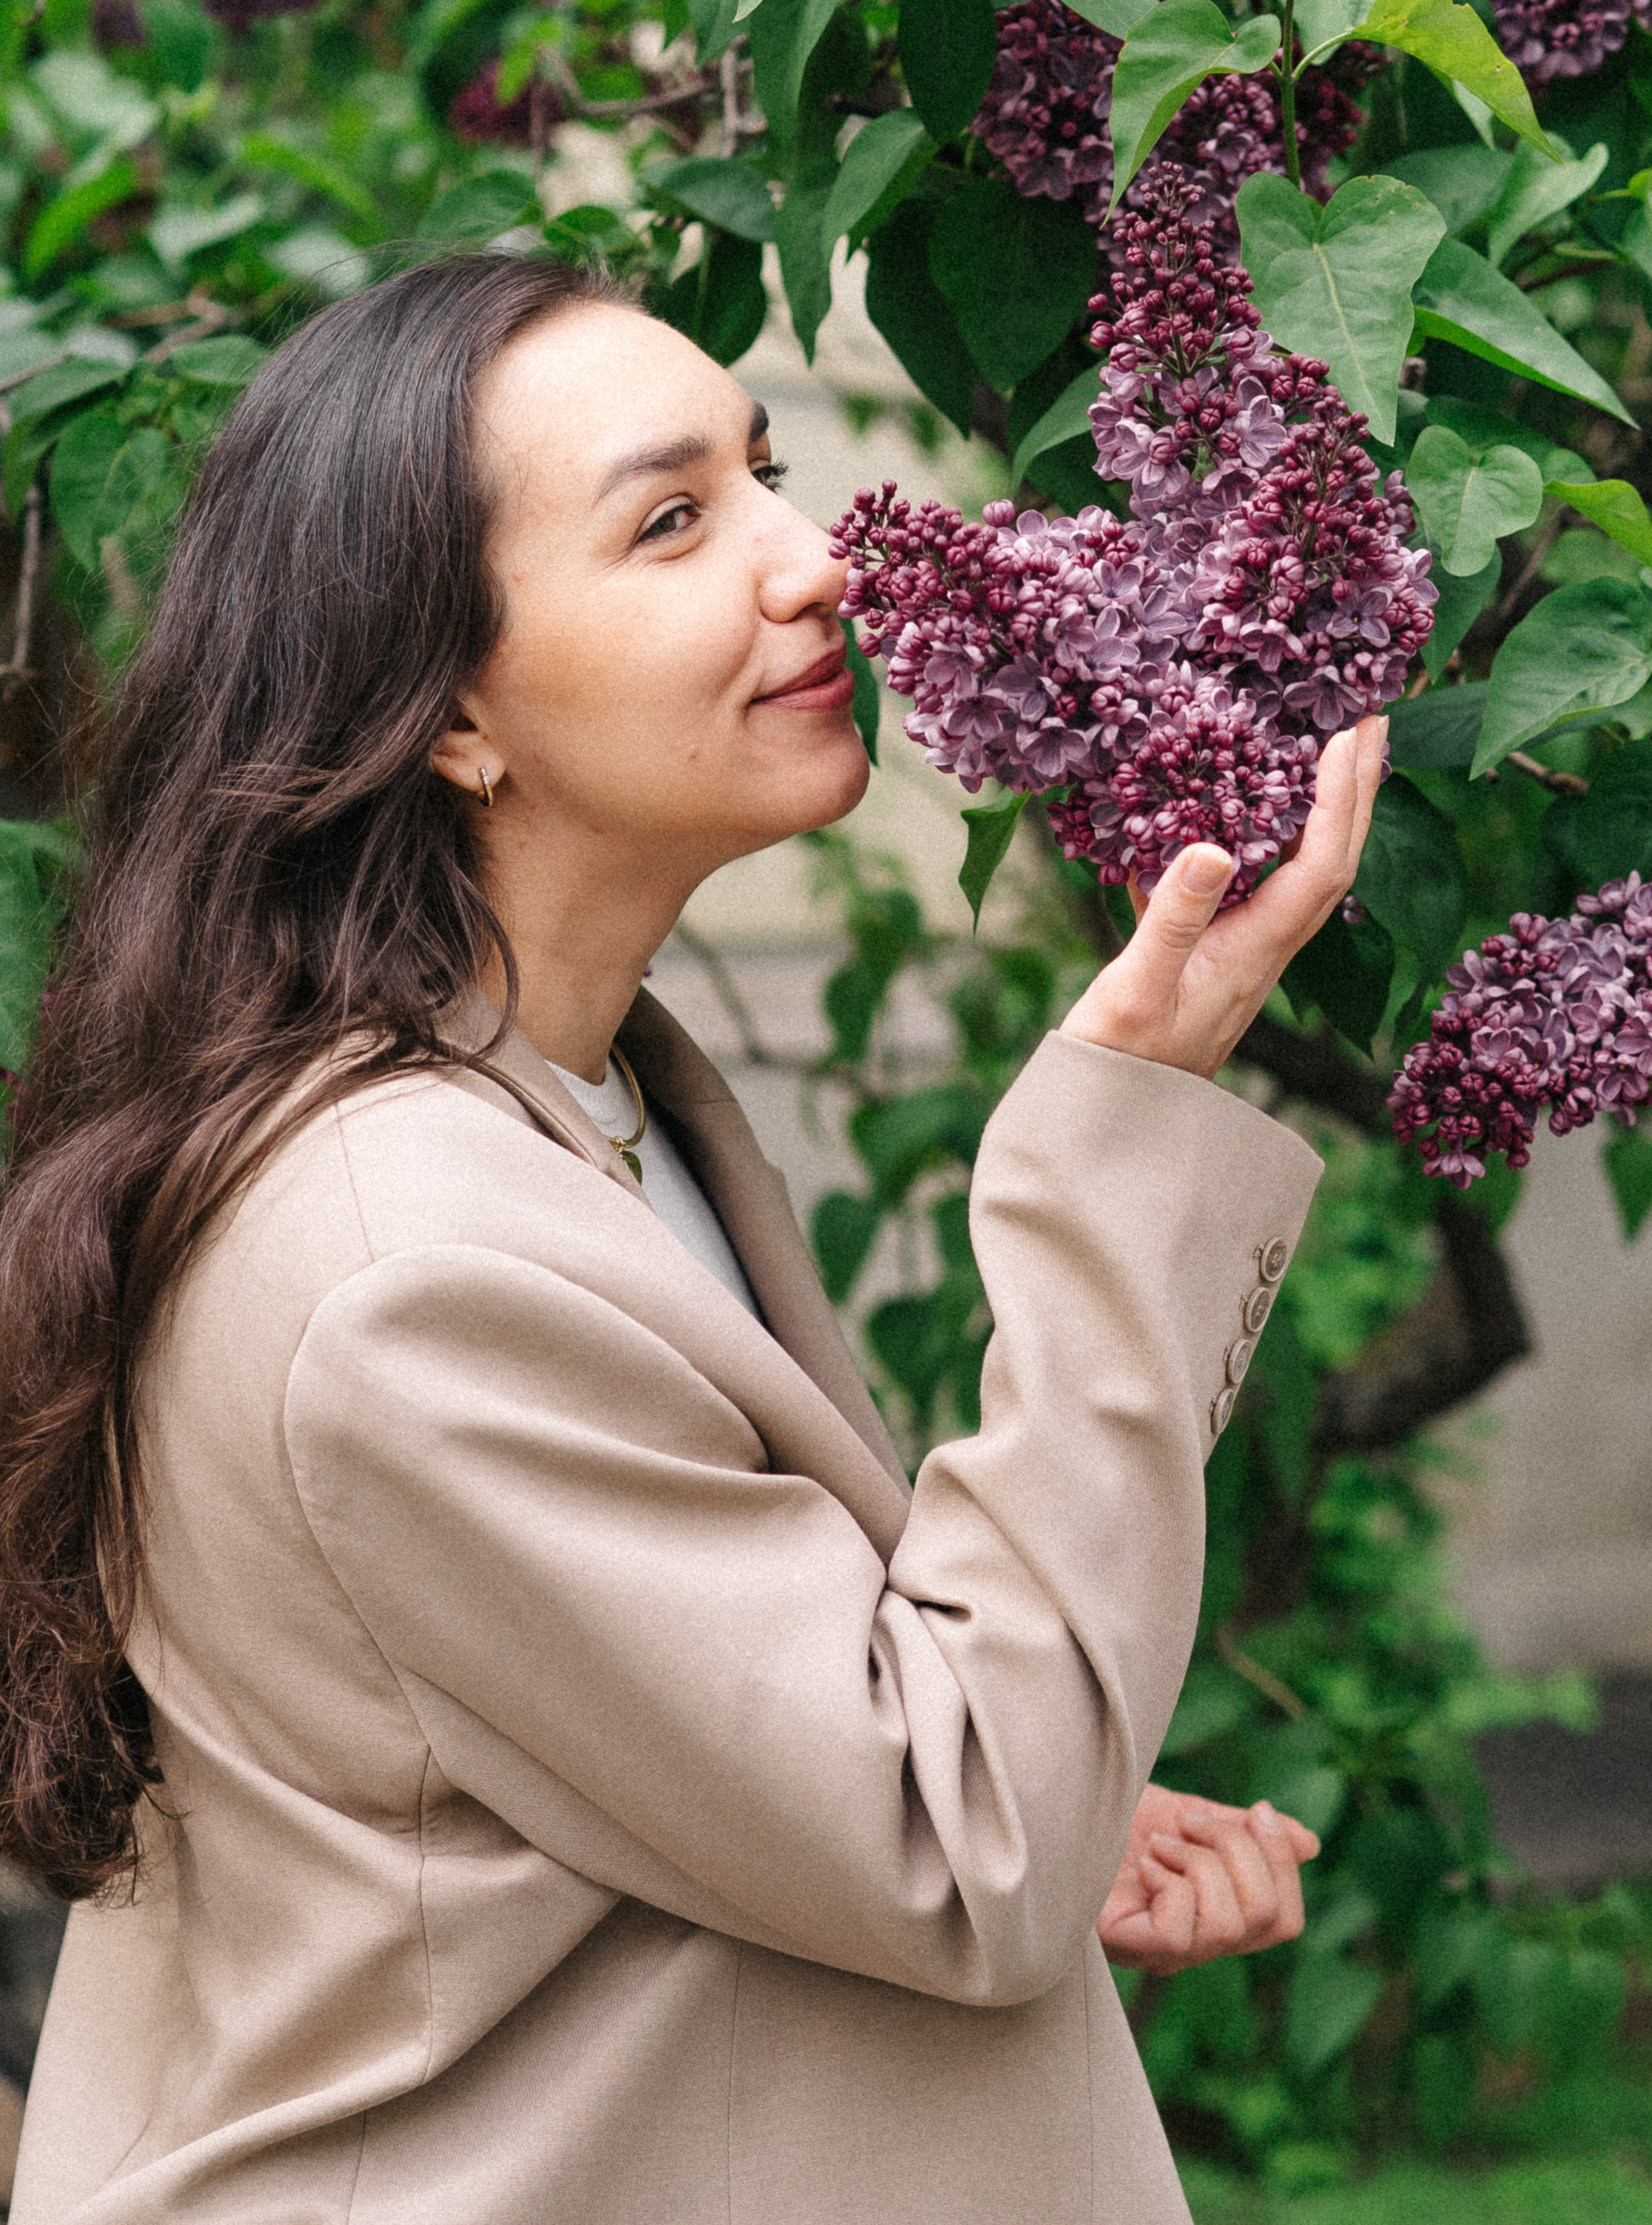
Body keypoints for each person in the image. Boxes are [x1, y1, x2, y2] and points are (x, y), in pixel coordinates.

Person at [0, 253, 1384, 2224]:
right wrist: (1129, 1135)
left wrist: (1019, 1783)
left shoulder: (579, 1103)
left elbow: (638, 1770)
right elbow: (962, 1840)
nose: (815, 563)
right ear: (448, 714)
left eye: (766, 474)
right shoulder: (407, 1274)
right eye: (671, 524)